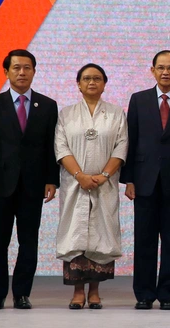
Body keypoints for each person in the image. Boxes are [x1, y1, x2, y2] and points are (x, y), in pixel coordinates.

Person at [121, 50, 170, 310]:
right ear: (152, 70)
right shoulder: (139, 100)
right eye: (160, 67)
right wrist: (129, 179)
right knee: (143, 240)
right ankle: (144, 293)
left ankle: (168, 294)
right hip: (144, 182)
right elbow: (130, 141)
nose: (165, 72)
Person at [0, 49, 59, 310]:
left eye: (27, 68)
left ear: (34, 71)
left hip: (33, 185)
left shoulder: (47, 105)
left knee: (28, 241)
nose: (22, 72)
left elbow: (51, 147)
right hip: (0, 184)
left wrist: (52, 180)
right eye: (16, 68)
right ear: (6, 72)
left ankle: (22, 293)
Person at [54, 63, 128, 310]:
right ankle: (77, 292)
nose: (92, 82)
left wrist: (105, 174)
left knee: (101, 233)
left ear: (105, 83)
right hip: (75, 184)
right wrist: (80, 175)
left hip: (105, 184)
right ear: (78, 84)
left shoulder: (116, 113)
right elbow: (61, 147)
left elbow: (121, 146)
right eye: (86, 78)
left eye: (97, 78)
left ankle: (95, 292)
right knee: (76, 232)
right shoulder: (66, 114)